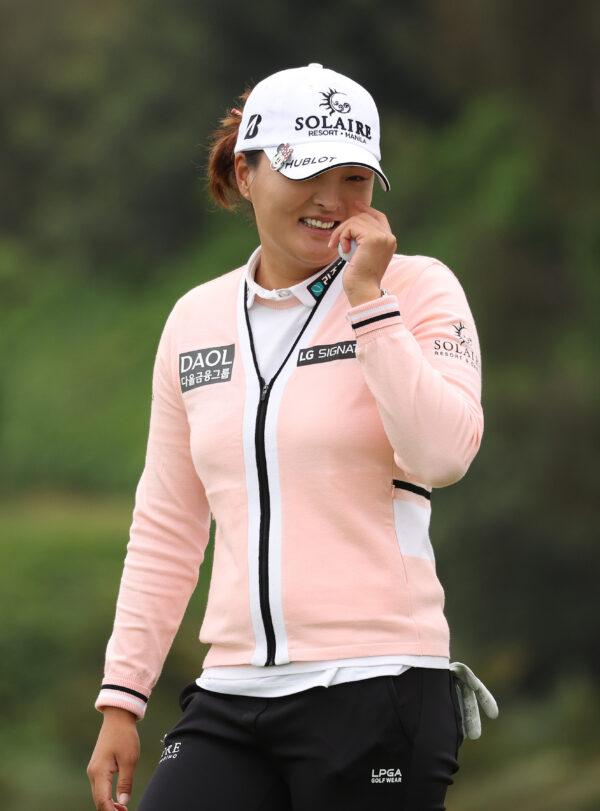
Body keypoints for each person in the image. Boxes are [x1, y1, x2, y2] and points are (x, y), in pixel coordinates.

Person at [86, 62, 498, 811]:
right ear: (246, 172)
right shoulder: (194, 321)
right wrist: (124, 696)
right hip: (232, 693)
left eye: (355, 178)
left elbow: (444, 454)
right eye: (306, 172)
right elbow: (168, 526)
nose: (332, 202)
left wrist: (369, 301)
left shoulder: (419, 288)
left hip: (382, 687)